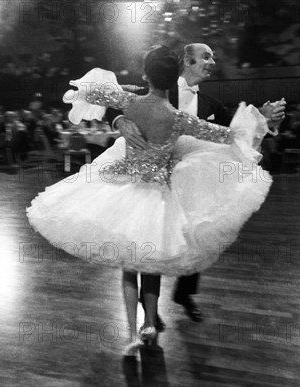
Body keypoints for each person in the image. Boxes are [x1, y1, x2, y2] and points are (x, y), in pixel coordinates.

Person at [27, 46, 274, 356]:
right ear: (174, 77)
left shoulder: (130, 102)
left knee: (128, 269)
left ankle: (132, 333)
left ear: (146, 75)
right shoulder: (179, 118)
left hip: (125, 192)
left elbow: (92, 91)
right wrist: (258, 120)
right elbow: (226, 135)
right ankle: (149, 326)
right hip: (157, 198)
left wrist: (124, 95)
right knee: (151, 268)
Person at [106, 43, 285, 325]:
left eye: (213, 56)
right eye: (206, 56)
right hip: (153, 178)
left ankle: (183, 293)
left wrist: (261, 118)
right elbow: (115, 103)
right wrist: (119, 121)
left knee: (198, 232)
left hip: (192, 181)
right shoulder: (159, 87)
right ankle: (149, 308)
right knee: (151, 240)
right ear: (187, 61)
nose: (213, 61)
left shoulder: (213, 105)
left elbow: (233, 136)